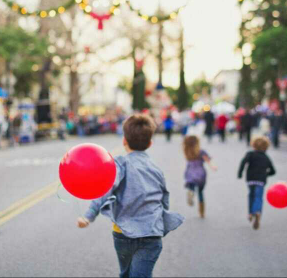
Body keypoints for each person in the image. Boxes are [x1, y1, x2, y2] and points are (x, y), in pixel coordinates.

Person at [77, 114, 184, 278]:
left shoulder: (120, 163)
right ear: (150, 143)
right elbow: (164, 199)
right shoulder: (156, 169)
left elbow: (106, 188)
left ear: (124, 141)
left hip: (123, 234)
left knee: (126, 273)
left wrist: (89, 215)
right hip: (151, 234)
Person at [238, 136, 276, 230]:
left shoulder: (250, 154)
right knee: (258, 197)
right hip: (261, 180)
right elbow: (273, 171)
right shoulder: (266, 157)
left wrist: (240, 173)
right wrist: (266, 174)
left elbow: (243, 162)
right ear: (266, 146)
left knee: (251, 195)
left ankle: (250, 213)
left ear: (253, 145)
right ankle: (257, 212)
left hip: (251, 179)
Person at [183, 135, 217, 218]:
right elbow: (207, 160)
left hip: (190, 172)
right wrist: (213, 166)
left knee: (191, 185)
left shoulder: (187, 152)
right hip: (200, 173)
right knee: (201, 192)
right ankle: (202, 212)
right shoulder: (201, 152)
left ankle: (191, 191)